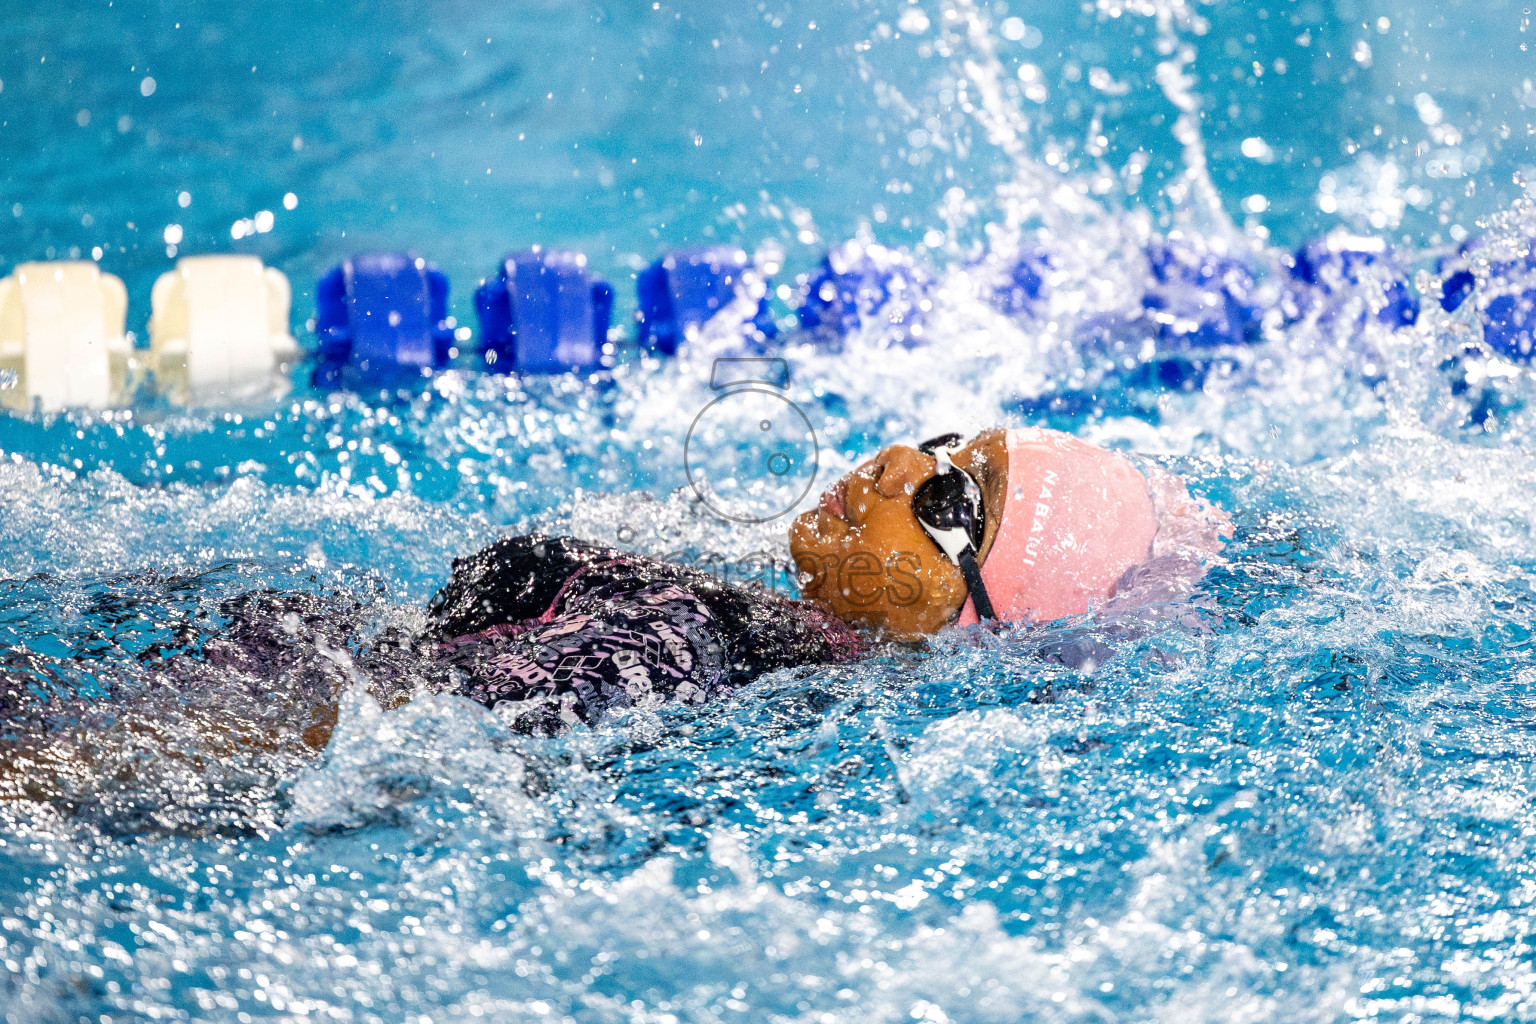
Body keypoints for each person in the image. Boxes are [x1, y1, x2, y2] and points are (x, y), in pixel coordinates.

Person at [1, 426, 1225, 809]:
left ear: (970, 610)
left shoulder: (699, 657)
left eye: (954, 494)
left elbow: (363, 729)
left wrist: (39, 771)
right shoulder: (731, 603)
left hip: (172, 710)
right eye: (948, 439)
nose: (904, 456)